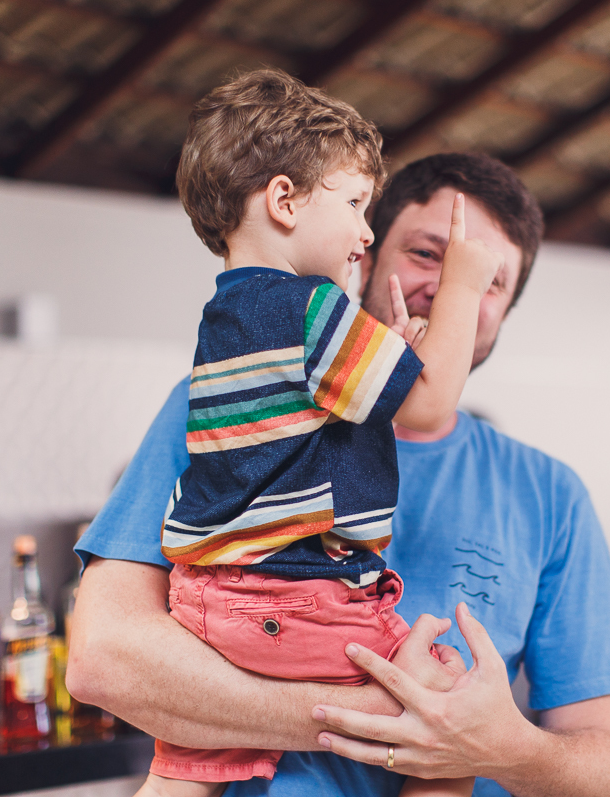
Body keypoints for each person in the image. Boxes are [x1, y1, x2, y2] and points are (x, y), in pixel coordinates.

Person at [67, 149, 610, 797]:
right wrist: (390, 719)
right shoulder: (222, 404)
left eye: (487, 281)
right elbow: (101, 661)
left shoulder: (548, 494)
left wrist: (500, 746)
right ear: (364, 257)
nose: (446, 285)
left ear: (503, 314)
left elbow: (608, 774)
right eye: (428, 253)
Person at [140, 69, 498, 797]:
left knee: (184, 776)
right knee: (445, 707)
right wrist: (464, 282)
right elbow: (426, 409)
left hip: (208, 606)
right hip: (296, 602)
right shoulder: (311, 309)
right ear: (283, 200)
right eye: (357, 203)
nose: (367, 231)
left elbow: (308, 427)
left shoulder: (227, 318)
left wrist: (385, 350)